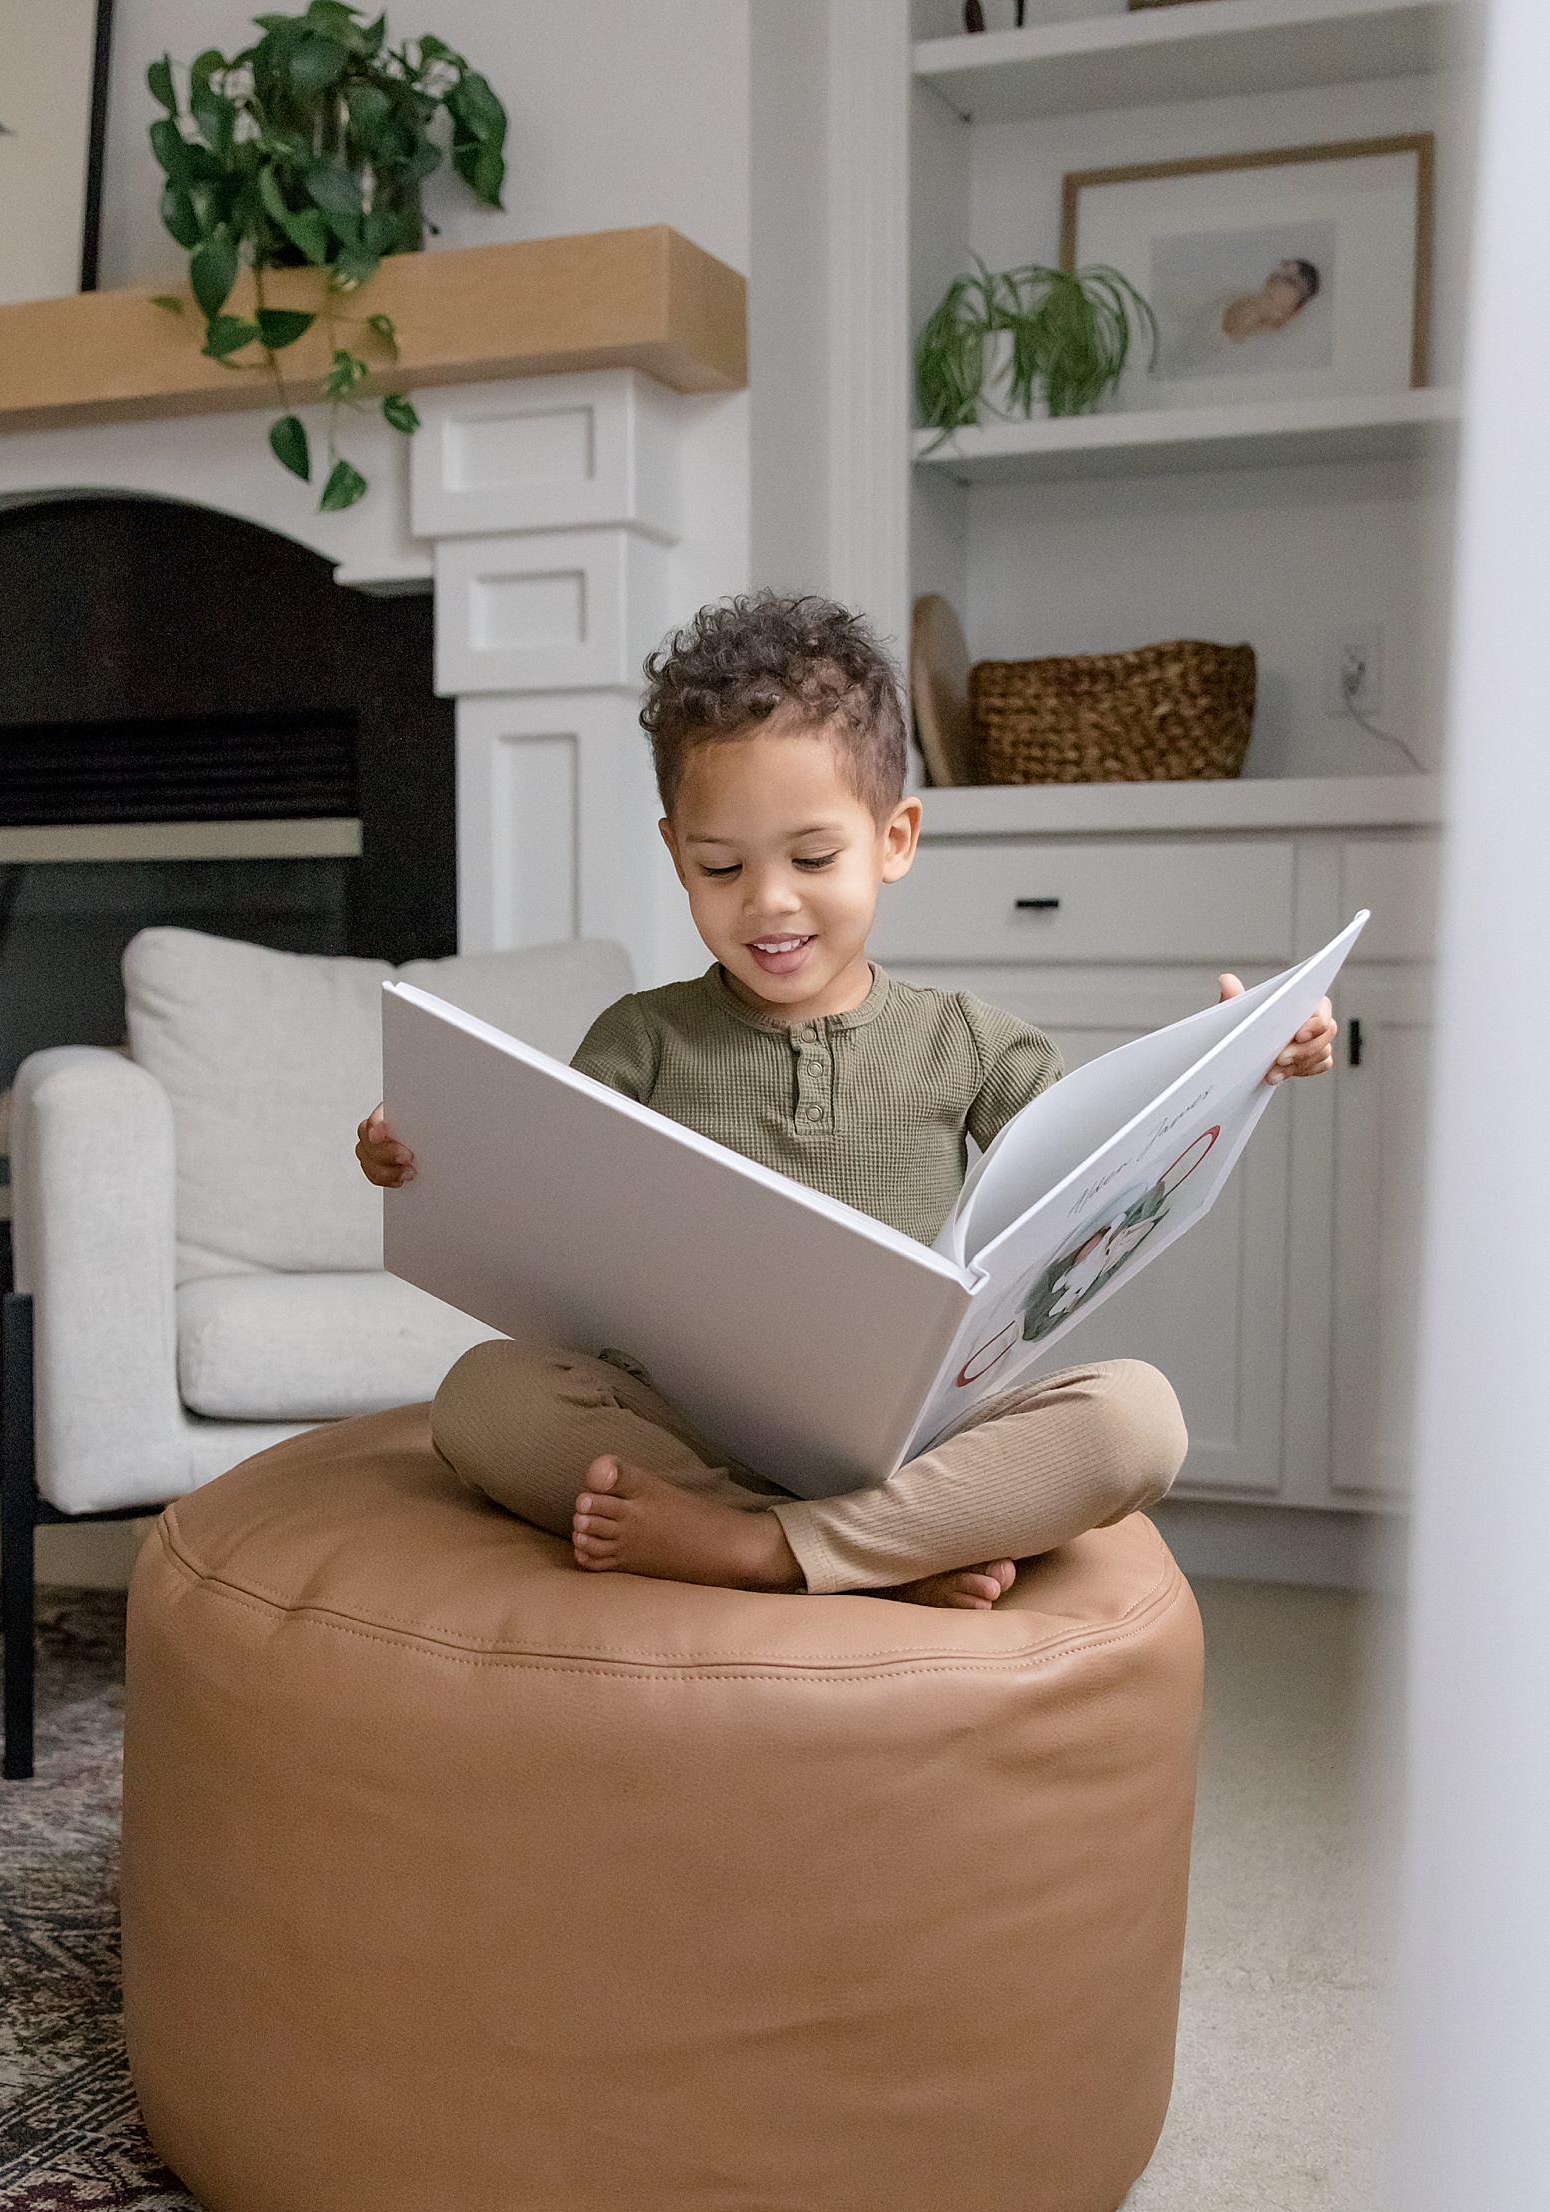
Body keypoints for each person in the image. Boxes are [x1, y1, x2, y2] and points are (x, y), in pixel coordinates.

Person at [357, 593, 1333, 1609]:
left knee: (1138, 1419)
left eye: (812, 858)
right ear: (674, 849)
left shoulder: (970, 1040)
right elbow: (546, 1210)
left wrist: (1255, 1055)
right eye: (719, 865)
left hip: (912, 1434)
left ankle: (763, 1547)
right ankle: (880, 1551)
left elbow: (1108, 1167)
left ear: (894, 838)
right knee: (482, 1395)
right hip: (693, 1419)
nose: (768, 899)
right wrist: (429, 1158)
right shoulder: (639, 1039)